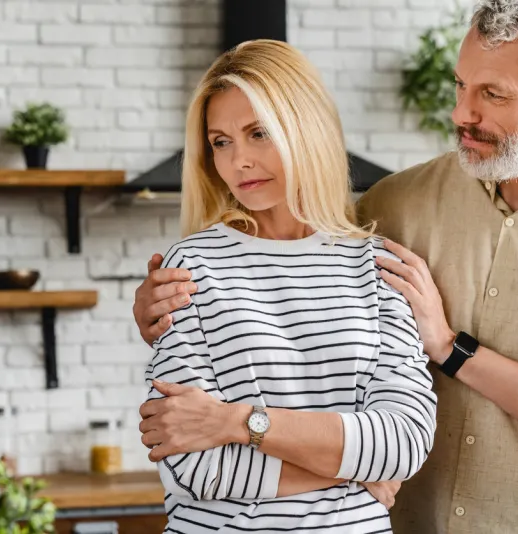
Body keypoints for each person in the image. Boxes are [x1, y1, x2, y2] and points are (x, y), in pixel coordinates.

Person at [134, 1, 518, 533]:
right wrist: (157, 310)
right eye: (460, 87)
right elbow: (291, 251)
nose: (462, 113)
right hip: (404, 517)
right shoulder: (395, 204)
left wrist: (448, 347)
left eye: (492, 94)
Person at [138, 39, 437, 533]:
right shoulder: (190, 269)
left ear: (306, 128)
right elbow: (194, 468)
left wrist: (238, 423)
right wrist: (354, 470)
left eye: (259, 133)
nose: (240, 162)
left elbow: (404, 443)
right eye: (221, 141)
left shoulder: (377, 266)